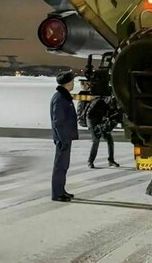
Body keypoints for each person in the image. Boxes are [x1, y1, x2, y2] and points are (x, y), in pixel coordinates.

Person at [50, 71, 79, 202]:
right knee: (60, 166)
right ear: (67, 83)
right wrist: (62, 138)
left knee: (63, 166)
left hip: (65, 137)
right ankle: (57, 193)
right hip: (63, 138)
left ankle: (61, 190)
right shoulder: (60, 98)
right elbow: (58, 121)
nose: (73, 84)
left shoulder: (64, 96)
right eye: (72, 82)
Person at [86, 95, 120, 168]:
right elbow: (89, 115)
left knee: (110, 141)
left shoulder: (110, 105)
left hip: (101, 123)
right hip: (92, 122)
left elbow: (111, 116)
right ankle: (90, 161)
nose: (111, 107)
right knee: (96, 141)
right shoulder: (98, 102)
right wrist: (94, 127)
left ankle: (111, 160)